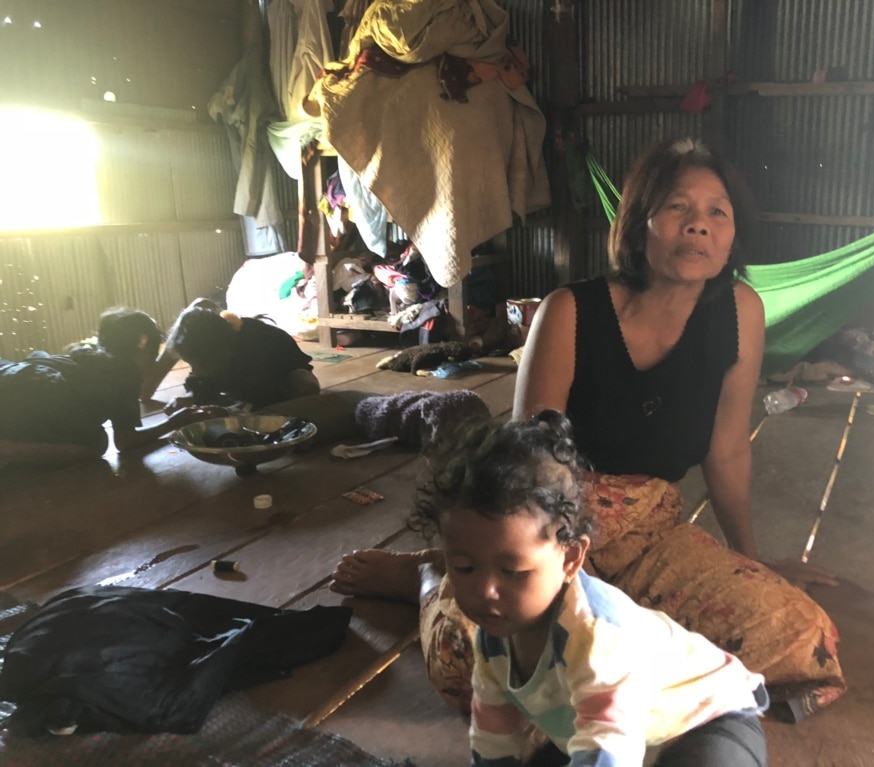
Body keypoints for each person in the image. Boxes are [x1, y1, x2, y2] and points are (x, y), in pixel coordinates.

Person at [331, 137, 843, 716]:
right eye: (677, 207)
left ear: (731, 235)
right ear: (637, 224)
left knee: (802, 637)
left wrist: (748, 561)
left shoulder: (740, 312)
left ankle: (539, 597)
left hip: (652, 528)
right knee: (469, 662)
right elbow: (525, 471)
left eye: (716, 212)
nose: (698, 226)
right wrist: (539, 558)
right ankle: (435, 574)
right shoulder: (570, 312)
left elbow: (726, 451)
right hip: (555, 527)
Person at [415, 411, 768, 767]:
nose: (486, 589)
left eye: (512, 571)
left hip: (708, 720)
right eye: (463, 567)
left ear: (570, 558)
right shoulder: (492, 640)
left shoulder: (598, 636)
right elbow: (494, 732)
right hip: (622, 729)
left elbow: (610, 745)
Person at [0, 308, 223, 467]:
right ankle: (10, 448)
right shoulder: (126, 371)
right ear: (143, 343)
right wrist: (174, 423)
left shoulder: (87, 353)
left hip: (13, 379)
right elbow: (125, 441)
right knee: (96, 444)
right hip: (22, 402)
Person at [160, 302, 320, 411]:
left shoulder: (255, 345)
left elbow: (263, 393)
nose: (195, 369)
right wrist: (189, 398)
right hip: (246, 386)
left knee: (303, 384)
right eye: (191, 363)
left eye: (198, 364)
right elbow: (201, 381)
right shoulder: (209, 353)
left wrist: (231, 410)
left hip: (281, 381)